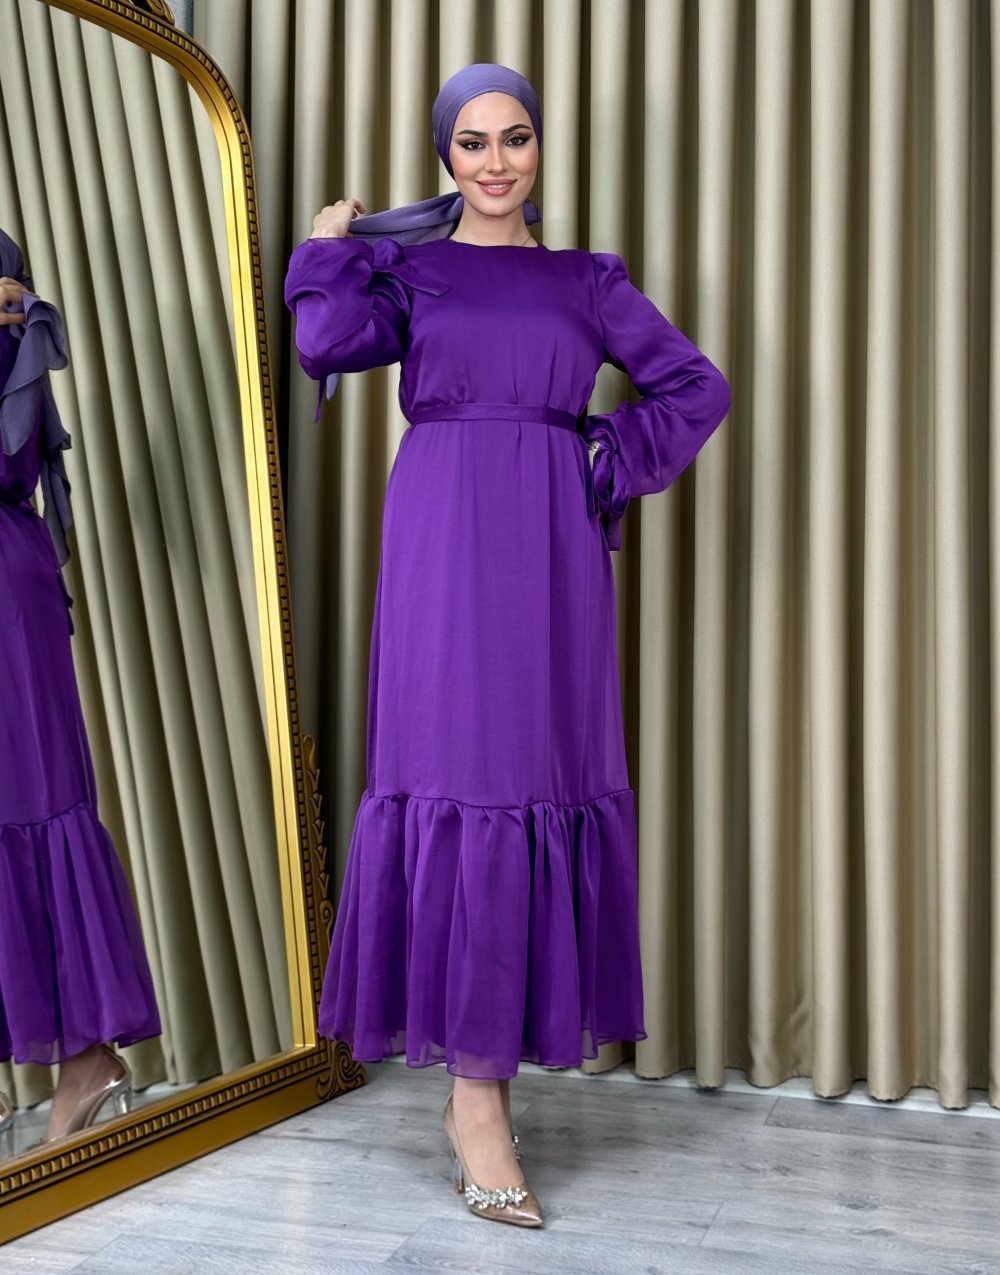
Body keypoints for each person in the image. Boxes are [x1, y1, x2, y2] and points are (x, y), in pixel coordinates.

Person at [284, 63, 731, 1228]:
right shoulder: (415, 271)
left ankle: (482, 1083)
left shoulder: (588, 279)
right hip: (438, 532)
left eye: (515, 138)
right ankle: (475, 1100)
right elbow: (325, 343)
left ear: (539, 149)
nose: (496, 161)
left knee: (528, 781)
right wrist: (327, 247)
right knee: (451, 777)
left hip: (548, 548)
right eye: (473, 142)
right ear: (445, 157)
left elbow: (695, 387)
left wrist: (603, 461)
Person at [0, 230, 161, 1148]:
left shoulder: (6, 315)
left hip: (4, 588)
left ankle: (87, 1058)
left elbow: (10, 458)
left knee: (32, 807)